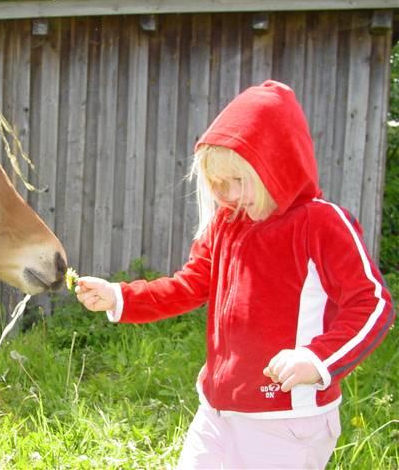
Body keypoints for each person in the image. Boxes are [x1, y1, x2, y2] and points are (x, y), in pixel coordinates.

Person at [75, 80, 395, 469]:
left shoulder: (321, 223)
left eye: (238, 181)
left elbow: (372, 303)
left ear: (278, 165)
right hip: (217, 412)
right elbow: (189, 284)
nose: (226, 195)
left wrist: (319, 360)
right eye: (217, 184)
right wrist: (121, 296)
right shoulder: (228, 225)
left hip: (287, 421)